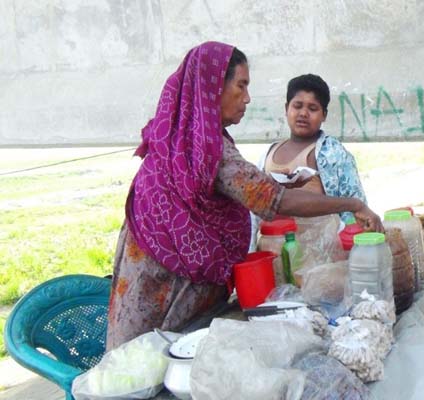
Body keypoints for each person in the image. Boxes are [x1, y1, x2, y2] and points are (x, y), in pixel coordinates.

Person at [106, 42, 382, 350]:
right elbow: (275, 200)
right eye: (242, 85)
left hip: (154, 274)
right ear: (213, 88)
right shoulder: (209, 150)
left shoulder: (181, 135)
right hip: (161, 286)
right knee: (148, 364)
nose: (247, 98)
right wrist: (353, 205)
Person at [249, 74, 366, 255]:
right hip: (275, 252)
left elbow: (355, 205)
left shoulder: (332, 153)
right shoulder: (268, 154)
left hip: (320, 254)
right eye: (297, 106)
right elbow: (252, 212)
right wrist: (248, 253)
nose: (303, 113)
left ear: (324, 115)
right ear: (286, 108)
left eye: (313, 108)